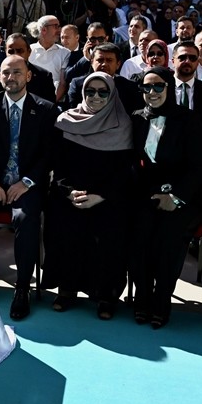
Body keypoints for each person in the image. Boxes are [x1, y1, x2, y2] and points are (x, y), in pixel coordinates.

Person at [0, 54, 58, 321]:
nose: (11, 77)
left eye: (17, 72)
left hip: (27, 183)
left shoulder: (46, 109)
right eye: (6, 73)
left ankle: (22, 289)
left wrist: (27, 182)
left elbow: (48, 154)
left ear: (28, 76)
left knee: (25, 218)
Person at [45, 72, 135, 318]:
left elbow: (125, 171)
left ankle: (106, 295)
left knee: (111, 231)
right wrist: (69, 192)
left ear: (112, 94)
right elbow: (56, 165)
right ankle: (66, 289)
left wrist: (100, 195)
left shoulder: (123, 124)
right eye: (90, 91)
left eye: (103, 92)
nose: (96, 97)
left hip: (108, 196)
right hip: (70, 193)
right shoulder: (65, 121)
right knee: (65, 226)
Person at [129, 66, 202, 328]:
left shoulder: (189, 119)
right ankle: (142, 297)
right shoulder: (137, 118)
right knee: (137, 236)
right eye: (147, 87)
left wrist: (175, 197)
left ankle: (161, 301)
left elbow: (199, 167)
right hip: (145, 194)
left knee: (169, 240)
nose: (152, 92)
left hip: (182, 195)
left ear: (169, 88)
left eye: (158, 86)